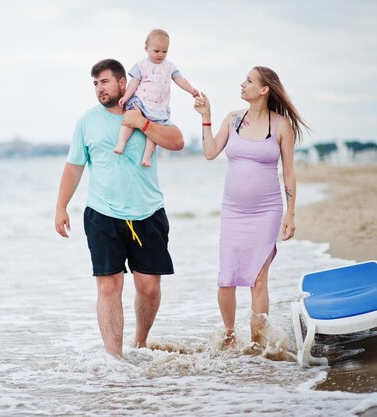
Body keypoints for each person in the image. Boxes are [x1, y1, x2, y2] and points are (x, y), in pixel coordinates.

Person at [55, 59, 185, 358]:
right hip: (102, 214)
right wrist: (61, 207)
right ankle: (115, 359)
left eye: (105, 81)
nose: (100, 88)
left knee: (149, 288)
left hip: (148, 212)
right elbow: (74, 167)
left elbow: (177, 141)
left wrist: (143, 123)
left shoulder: (147, 111)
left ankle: (139, 343)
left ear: (122, 83)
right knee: (109, 288)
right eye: (95, 84)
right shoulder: (86, 121)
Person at [193, 66, 309, 349]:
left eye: (248, 80)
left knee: (258, 278)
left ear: (264, 89)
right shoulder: (233, 119)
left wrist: (290, 214)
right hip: (233, 211)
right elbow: (210, 152)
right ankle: (230, 337)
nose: (242, 84)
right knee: (226, 278)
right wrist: (206, 117)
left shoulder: (280, 126)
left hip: (267, 211)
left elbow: (289, 173)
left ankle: (258, 343)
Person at [114, 29, 198, 167]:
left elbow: (180, 79)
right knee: (129, 120)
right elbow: (133, 83)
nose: (160, 55)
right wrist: (126, 97)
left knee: (153, 132)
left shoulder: (169, 66)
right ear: (146, 48)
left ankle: (147, 157)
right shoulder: (141, 65)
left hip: (158, 107)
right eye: (156, 51)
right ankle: (121, 144)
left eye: (164, 52)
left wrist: (191, 90)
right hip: (140, 101)